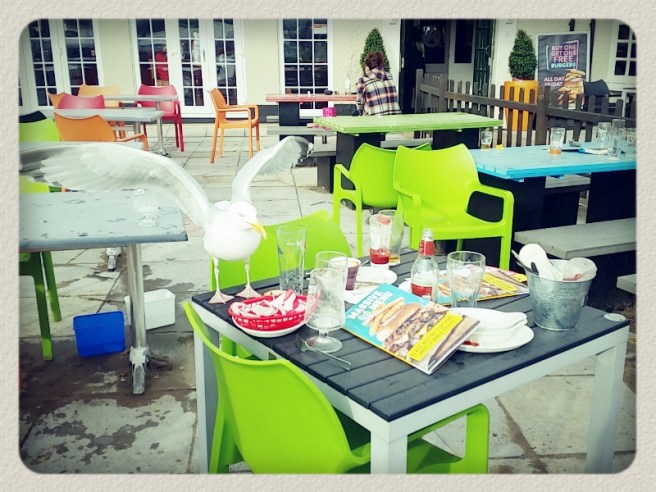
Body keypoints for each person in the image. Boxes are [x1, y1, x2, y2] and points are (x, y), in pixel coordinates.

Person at [355, 51, 402, 116]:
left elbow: (359, 104)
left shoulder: (363, 80)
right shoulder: (389, 76)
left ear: (367, 67)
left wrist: (360, 113)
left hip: (375, 120)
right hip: (394, 118)